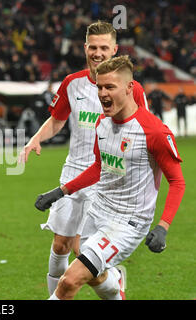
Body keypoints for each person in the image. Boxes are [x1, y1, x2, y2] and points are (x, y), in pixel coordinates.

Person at [35, 56, 185, 300]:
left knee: (70, 281)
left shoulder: (154, 131)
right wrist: (60, 191)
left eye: (110, 87)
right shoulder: (101, 122)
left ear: (129, 88)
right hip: (98, 211)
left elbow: (177, 182)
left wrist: (163, 226)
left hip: (128, 222)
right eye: (99, 87)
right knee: (95, 274)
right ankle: (116, 283)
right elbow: (98, 167)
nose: (102, 94)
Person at [18, 21, 149, 297]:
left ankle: (113, 284)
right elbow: (57, 120)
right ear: (85, 48)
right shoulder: (72, 83)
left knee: (82, 252)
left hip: (104, 178)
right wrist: (35, 139)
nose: (98, 53)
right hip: (73, 171)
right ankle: (100, 285)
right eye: (93, 47)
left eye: (104, 47)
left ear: (114, 49)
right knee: (60, 245)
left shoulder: (131, 89)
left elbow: (143, 131)